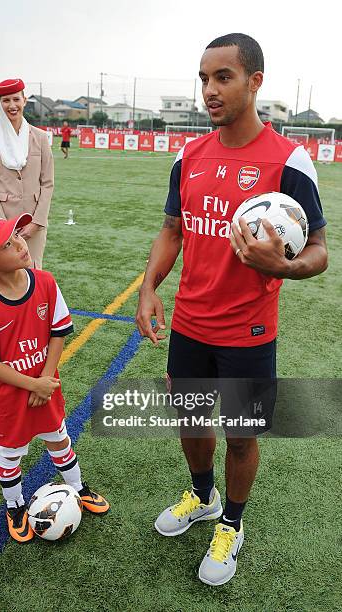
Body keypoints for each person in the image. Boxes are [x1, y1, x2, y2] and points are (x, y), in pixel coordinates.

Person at [136, 33, 328, 586]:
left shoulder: (288, 160)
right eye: (203, 78)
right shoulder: (189, 156)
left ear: (254, 82)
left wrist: (283, 267)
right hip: (190, 324)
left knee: (242, 435)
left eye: (223, 77)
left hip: (248, 331)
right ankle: (201, 495)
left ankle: (232, 523)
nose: (209, 90)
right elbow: (172, 230)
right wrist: (149, 287)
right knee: (191, 420)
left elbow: (318, 252)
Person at [0, 214, 109, 543]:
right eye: (5, 245)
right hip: (10, 399)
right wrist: (33, 385)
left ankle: (77, 487)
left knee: (59, 440)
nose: (19, 244)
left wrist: (45, 378)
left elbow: (59, 331)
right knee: (9, 454)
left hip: (46, 386)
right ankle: (15, 506)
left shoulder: (44, 281)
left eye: (16, 235)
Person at [0, 78, 54, 270]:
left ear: (24, 100)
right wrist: (3, 228)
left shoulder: (40, 137)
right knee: (8, 272)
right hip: (4, 221)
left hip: (34, 221)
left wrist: (37, 222)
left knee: (33, 270)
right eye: (6, 101)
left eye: (16, 99)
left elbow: (47, 184)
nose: (12, 105)